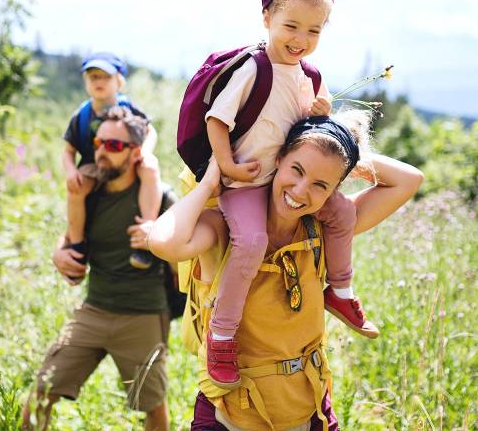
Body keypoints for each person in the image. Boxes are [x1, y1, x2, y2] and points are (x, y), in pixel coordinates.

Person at [149, 112, 424, 430]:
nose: (301, 190)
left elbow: (409, 180)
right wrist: (209, 183)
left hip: (308, 410)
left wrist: (342, 148)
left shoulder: (324, 229)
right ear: (277, 158)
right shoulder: (226, 228)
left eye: (321, 184)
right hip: (230, 415)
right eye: (297, 169)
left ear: (333, 191)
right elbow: (163, 242)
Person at [196, 0, 376, 389]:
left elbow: (322, 124)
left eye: (313, 31)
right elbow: (216, 121)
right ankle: (222, 334)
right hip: (246, 183)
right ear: (266, 19)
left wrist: (327, 118)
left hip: (285, 182)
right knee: (251, 242)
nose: (300, 38)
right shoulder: (252, 69)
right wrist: (228, 167)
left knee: (342, 213)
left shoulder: (309, 75)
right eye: (290, 26)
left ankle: (341, 291)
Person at [23, 108, 174, 431]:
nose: (102, 151)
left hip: (143, 315)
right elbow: (70, 236)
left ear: (136, 153)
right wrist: (57, 254)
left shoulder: (160, 197)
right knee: (41, 390)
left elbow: (185, 253)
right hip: (94, 310)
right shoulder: (90, 193)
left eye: (114, 146)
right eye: (98, 143)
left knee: (152, 405)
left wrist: (159, 241)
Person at [63, 52, 161, 270]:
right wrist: (71, 171)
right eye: (93, 77)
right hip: (93, 164)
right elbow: (68, 150)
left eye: (105, 77)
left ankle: (145, 234)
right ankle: (77, 245)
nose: (99, 82)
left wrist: (144, 152)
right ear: (85, 81)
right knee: (76, 189)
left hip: (127, 159)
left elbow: (150, 131)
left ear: (119, 81)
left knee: (150, 168)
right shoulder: (81, 115)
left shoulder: (129, 108)